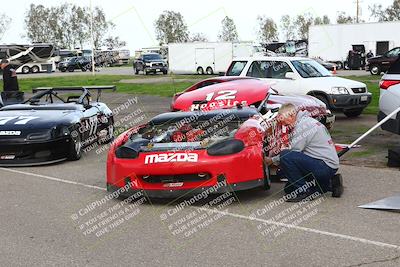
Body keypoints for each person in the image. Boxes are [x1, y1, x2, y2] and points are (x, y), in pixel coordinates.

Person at [265, 103, 343, 202]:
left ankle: (304, 192)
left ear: (292, 115)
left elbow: (293, 152)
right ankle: (329, 184)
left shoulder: (303, 126)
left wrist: (271, 160)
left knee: (285, 156)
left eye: (285, 122)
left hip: (324, 165)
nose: (284, 125)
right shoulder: (307, 121)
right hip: (325, 164)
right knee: (289, 189)